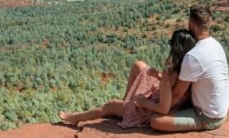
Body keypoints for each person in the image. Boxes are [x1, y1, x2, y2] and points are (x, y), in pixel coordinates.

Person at [58, 29, 196, 128]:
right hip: (169, 103)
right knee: (139, 66)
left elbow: (164, 109)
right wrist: (159, 77)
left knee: (109, 105)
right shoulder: (190, 67)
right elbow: (174, 89)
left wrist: (143, 102)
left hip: (150, 110)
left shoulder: (170, 71)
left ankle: (74, 118)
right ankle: (125, 103)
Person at [149, 5, 229, 132]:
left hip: (207, 117)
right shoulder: (216, 45)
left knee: (156, 120)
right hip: (220, 112)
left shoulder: (193, 55)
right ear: (209, 23)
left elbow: (176, 95)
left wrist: (154, 106)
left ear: (191, 23)